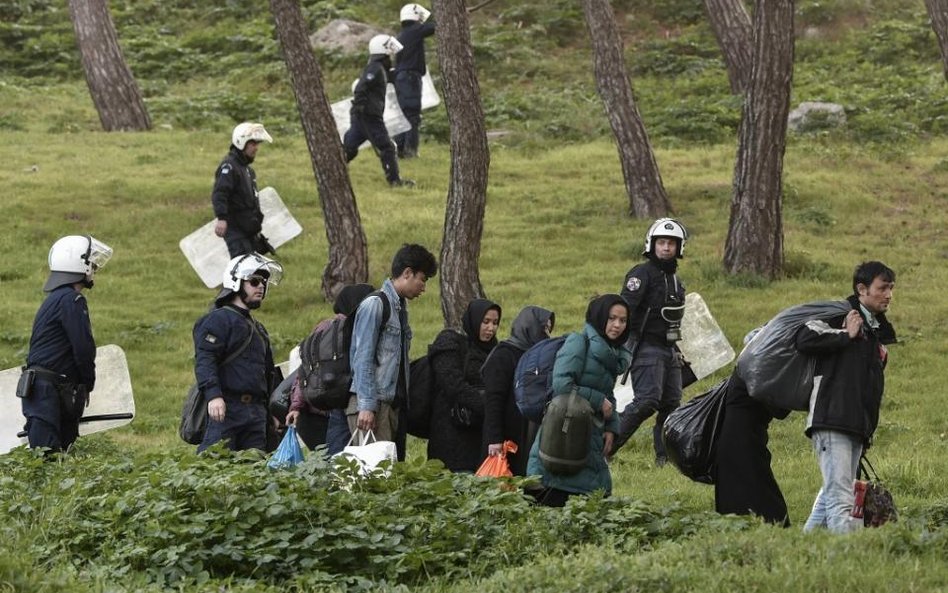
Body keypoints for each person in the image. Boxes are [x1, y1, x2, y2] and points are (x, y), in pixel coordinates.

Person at [799, 261, 896, 534]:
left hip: (854, 425)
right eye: (882, 288)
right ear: (862, 289)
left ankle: (803, 548)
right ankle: (847, 560)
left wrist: (866, 431)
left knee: (832, 492)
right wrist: (845, 334)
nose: (888, 294)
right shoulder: (840, 315)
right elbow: (803, 337)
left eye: (891, 288)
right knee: (841, 498)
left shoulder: (874, 331)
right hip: (832, 419)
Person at [527, 294, 633, 507]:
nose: (617, 325)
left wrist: (612, 427)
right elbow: (562, 385)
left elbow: (607, 393)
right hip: (564, 430)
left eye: (622, 320)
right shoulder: (578, 342)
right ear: (600, 316)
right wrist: (597, 400)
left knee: (593, 496)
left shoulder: (612, 353)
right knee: (557, 493)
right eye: (612, 318)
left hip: (590, 432)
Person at [20, 235, 112, 452]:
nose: (95, 267)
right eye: (92, 262)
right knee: (50, 461)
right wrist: (87, 383)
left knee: (47, 459)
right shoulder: (71, 301)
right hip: (48, 393)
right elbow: (83, 348)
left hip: (41, 390)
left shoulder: (55, 299)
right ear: (80, 264)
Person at [611, 218, 688, 465]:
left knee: (671, 405)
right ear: (652, 245)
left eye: (671, 244)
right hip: (645, 348)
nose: (666, 248)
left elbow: (674, 321)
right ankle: (605, 449)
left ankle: (665, 459)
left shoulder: (677, 281)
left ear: (679, 247)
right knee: (646, 402)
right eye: (662, 242)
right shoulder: (640, 274)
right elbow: (624, 310)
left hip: (669, 350)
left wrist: (676, 349)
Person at [347, 244, 437, 443]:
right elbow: (363, 357)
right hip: (373, 405)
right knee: (374, 471)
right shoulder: (376, 304)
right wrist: (367, 406)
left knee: (391, 471)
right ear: (407, 273)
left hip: (392, 406)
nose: (424, 287)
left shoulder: (400, 310)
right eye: (422, 279)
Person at [194, 252, 283, 453]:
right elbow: (205, 359)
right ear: (236, 282)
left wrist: (275, 410)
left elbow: (268, 372)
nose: (261, 286)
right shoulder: (218, 320)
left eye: (263, 282)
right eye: (254, 281)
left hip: (257, 414)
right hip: (226, 409)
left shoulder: (258, 328)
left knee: (254, 472)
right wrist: (214, 396)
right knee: (215, 468)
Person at [284, 283, 375, 451]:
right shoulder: (354, 329)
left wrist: (296, 406)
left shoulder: (324, 327)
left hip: (314, 409)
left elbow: (305, 371)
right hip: (340, 409)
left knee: (332, 465)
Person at [427, 298, 502, 472]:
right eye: (486, 322)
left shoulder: (494, 350)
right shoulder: (451, 343)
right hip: (451, 431)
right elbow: (453, 384)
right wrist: (488, 406)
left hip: (479, 435)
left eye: (495, 323)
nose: (491, 328)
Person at [482, 305, 555, 477]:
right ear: (530, 326)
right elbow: (494, 399)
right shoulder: (504, 354)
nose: (547, 334)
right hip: (504, 434)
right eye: (544, 328)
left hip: (524, 431)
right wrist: (495, 438)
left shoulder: (534, 357)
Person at [713, 369, 791, 527]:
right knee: (759, 498)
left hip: (740, 439)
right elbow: (778, 409)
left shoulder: (750, 365)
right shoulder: (756, 368)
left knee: (742, 496)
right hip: (741, 441)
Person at [343, 35, 415, 188]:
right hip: (369, 116)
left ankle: (331, 171)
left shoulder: (379, 68)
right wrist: (360, 106)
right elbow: (361, 88)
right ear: (382, 50)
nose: (392, 53)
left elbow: (388, 78)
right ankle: (395, 181)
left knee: (349, 147)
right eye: (389, 49)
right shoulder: (375, 68)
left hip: (363, 115)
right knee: (388, 147)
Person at [211, 122, 275, 258]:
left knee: (254, 272)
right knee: (244, 271)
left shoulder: (247, 170)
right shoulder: (229, 167)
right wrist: (222, 218)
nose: (256, 148)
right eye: (253, 144)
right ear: (241, 143)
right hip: (235, 230)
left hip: (247, 229)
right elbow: (220, 193)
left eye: (257, 144)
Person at [393, 3, 435, 159]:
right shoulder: (415, 31)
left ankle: (400, 150)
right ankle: (410, 151)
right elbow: (434, 27)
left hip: (401, 78)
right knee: (412, 114)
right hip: (410, 78)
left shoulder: (401, 35)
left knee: (403, 114)